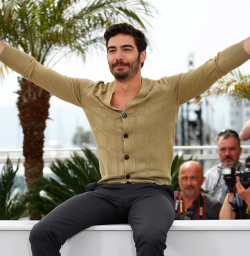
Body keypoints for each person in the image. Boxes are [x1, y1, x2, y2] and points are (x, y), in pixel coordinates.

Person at [0, 23, 250, 256]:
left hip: (151, 193)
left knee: (150, 237)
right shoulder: (89, 93)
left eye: (126, 49)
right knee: (42, 234)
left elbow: (215, 67)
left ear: (142, 55)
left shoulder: (169, 90)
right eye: (112, 50)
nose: (118, 56)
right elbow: (35, 70)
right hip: (105, 193)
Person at [202, 129, 244, 204]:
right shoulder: (210, 176)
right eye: (223, 149)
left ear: (240, 151)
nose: (227, 154)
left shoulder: (246, 172)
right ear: (217, 151)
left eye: (232, 149)